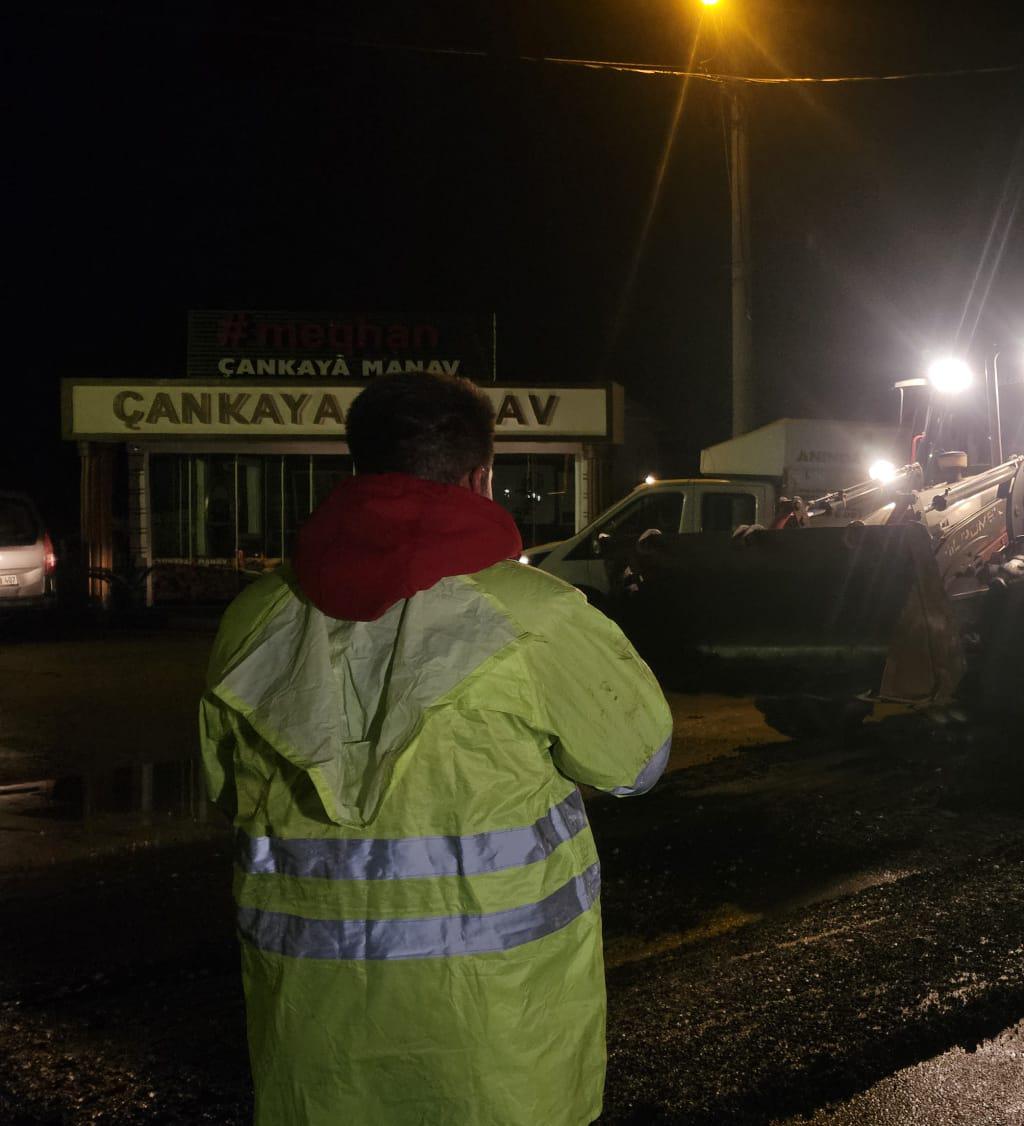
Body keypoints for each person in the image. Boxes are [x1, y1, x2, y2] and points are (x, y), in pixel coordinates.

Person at [198, 373, 674, 1125]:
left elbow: (225, 786)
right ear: (481, 476)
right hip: (503, 1052)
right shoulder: (538, 618)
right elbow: (637, 765)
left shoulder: (254, 621)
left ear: (357, 469)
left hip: (315, 1058)